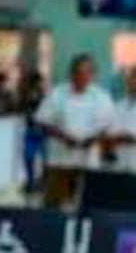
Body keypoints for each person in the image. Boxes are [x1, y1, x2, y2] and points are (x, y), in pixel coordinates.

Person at [34, 53, 115, 207]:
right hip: (59, 162)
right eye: (78, 72)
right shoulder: (57, 94)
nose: (81, 77)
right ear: (71, 73)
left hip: (89, 163)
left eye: (86, 73)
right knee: (53, 206)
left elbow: (107, 127)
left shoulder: (102, 98)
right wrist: (64, 137)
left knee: (87, 206)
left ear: (93, 75)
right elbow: (42, 122)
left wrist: (91, 140)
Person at [18, 69, 48, 193]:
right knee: (29, 157)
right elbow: (22, 108)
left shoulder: (42, 95)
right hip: (32, 131)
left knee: (43, 158)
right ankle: (31, 181)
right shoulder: (27, 94)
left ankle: (41, 182)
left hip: (41, 131)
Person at [104, 66, 136, 173]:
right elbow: (110, 134)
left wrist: (130, 137)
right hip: (119, 165)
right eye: (132, 78)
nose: (134, 82)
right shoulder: (118, 106)